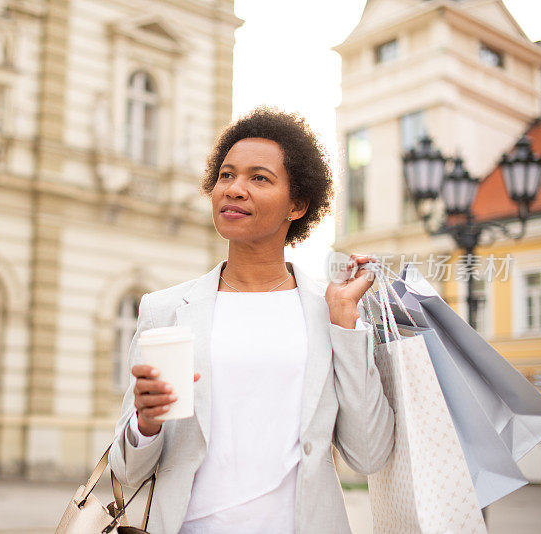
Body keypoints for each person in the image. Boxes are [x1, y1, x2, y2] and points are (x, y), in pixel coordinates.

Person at [108, 107, 395, 533]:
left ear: (296, 205)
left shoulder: (330, 310)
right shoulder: (166, 310)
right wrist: (145, 425)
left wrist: (346, 327)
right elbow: (127, 472)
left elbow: (369, 453)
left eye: (259, 178)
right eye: (226, 175)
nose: (235, 189)